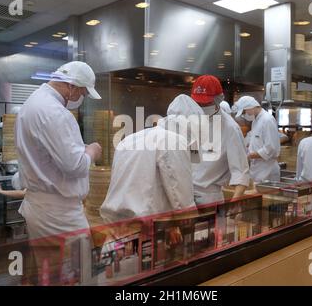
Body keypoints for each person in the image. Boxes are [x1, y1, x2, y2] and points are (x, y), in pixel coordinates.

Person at [15, 61, 102, 285]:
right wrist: (91, 151)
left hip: (41, 206)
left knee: (51, 274)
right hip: (59, 212)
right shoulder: (56, 113)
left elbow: (50, 157)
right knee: (81, 274)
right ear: (71, 86)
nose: (81, 97)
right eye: (82, 91)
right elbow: (75, 166)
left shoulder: (31, 104)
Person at [100, 94, 201, 223]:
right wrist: (196, 228)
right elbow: (182, 201)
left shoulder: (131, 139)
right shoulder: (175, 141)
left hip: (114, 226)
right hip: (146, 229)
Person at [190, 75, 250, 204]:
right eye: (197, 102)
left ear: (218, 99)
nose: (201, 106)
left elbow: (241, 172)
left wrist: (235, 205)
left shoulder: (230, 128)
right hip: (186, 196)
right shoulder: (192, 120)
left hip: (209, 199)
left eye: (205, 103)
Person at [233, 96, 281, 183]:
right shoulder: (255, 121)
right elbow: (255, 142)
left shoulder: (267, 120)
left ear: (251, 107)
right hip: (257, 170)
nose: (244, 115)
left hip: (268, 171)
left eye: (244, 112)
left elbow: (271, 148)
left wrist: (249, 156)